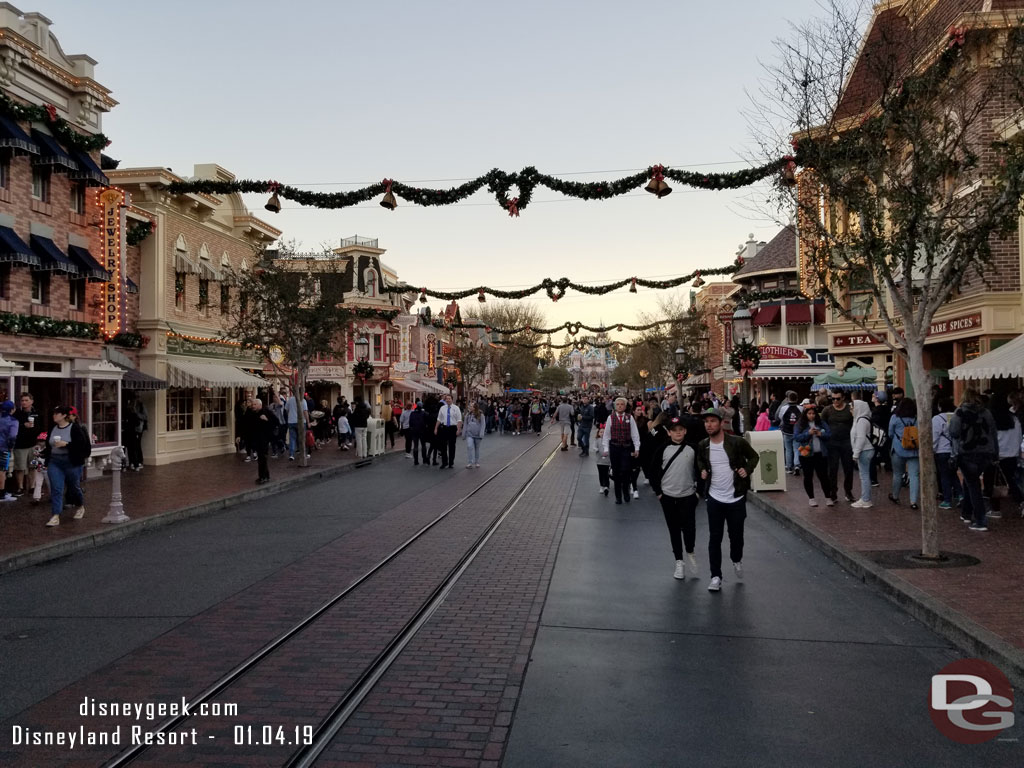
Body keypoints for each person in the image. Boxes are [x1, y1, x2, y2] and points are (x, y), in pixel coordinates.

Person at [696, 408, 760, 592]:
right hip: (714, 498)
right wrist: (702, 470)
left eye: (712, 421)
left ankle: (736, 558)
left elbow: (754, 457)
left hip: (735, 497)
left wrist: (747, 470)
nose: (709, 425)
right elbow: (700, 460)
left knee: (736, 536)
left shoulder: (737, 442)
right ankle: (715, 576)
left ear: (721, 422)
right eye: (706, 421)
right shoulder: (703, 445)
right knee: (714, 538)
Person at [649, 417, 699, 580]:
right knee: (674, 529)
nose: (678, 433)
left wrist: (699, 492)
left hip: (688, 495)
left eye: (680, 430)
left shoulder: (692, 449)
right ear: (669, 433)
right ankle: (679, 561)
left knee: (689, 528)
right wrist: (659, 492)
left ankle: (690, 551)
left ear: (685, 431)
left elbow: (701, 470)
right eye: (674, 431)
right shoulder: (662, 449)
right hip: (668, 496)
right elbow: (653, 471)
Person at [950, 388, 998, 532]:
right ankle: (966, 512)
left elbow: (953, 432)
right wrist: (995, 454)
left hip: (967, 453)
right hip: (985, 453)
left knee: (973, 485)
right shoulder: (986, 413)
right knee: (970, 481)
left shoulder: (959, 412)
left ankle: (981, 520)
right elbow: (993, 433)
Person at [42, 405, 91, 526]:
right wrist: (44, 455)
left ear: (64, 415)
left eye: (56, 414)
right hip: (55, 462)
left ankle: (80, 506)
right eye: (53, 413)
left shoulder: (74, 428)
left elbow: (81, 445)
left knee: (74, 487)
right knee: (56, 488)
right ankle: (55, 515)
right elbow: (49, 446)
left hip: (71, 463)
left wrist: (67, 444)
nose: (54, 416)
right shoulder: (53, 428)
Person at [601, 397, 641, 505]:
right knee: (616, 472)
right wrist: (606, 449)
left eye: (622, 404)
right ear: (615, 406)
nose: (619, 406)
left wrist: (637, 448)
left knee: (626, 471)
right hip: (614, 447)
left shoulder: (630, 417)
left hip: (626, 447)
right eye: (617, 404)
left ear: (625, 406)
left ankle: (626, 492)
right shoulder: (611, 418)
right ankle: (618, 496)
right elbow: (606, 435)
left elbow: (635, 434)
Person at [990, 392, 1024, 517]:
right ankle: (1021, 501)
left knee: (994, 483)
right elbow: (1019, 436)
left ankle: (995, 509)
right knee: (1012, 481)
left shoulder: (992, 419)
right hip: (1012, 455)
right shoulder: (1014, 419)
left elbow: (992, 438)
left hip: (997, 456)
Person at [794, 403, 831, 506]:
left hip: (820, 453)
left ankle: (828, 497)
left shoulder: (821, 423)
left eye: (813, 413)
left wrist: (821, 434)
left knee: (823, 476)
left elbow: (829, 434)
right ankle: (811, 498)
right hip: (806, 454)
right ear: (805, 414)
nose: (811, 416)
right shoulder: (799, 424)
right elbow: (797, 437)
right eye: (809, 413)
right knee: (808, 476)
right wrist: (808, 433)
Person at [822, 391, 855, 504]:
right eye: (833, 399)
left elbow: (855, 422)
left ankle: (848, 491)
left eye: (838, 398)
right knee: (833, 469)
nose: (835, 401)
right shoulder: (827, 410)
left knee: (848, 468)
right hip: (832, 443)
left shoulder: (850, 409)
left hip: (847, 442)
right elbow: (823, 423)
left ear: (843, 398)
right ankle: (833, 492)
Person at [888, 397, 921, 509]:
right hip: (914, 450)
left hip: (898, 449)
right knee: (914, 475)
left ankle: (896, 496)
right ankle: (913, 501)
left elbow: (890, 434)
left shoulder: (895, 418)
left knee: (897, 474)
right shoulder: (917, 419)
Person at [931, 397, 961, 510]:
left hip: (942, 450)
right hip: (955, 450)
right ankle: (960, 494)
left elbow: (935, 436)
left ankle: (947, 500)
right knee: (953, 474)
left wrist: (932, 449)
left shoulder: (937, 419)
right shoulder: (956, 416)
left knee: (944, 475)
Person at [12, 392, 42, 494]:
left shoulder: (37, 413)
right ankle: (20, 487)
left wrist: (40, 440)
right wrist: (23, 425)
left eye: (26, 400)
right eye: (22, 401)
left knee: (32, 467)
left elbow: (41, 426)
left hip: (33, 444)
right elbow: (12, 427)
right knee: (20, 467)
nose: (24, 403)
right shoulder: (17, 414)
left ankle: (32, 487)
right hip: (20, 445)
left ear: (31, 401)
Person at [245, 398, 278, 484]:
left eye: (255, 405)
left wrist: (267, 420)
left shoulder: (266, 412)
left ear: (260, 405)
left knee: (262, 457)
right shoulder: (252, 413)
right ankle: (263, 476)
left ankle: (264, 476)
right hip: (256, 438)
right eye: (253, 405)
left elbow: (276, 422)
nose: (253, 406)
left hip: (264, 438)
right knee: (260, 457)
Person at [850, 398, 875, 508]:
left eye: (852, 407)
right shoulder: (862, 419)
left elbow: (860, 438)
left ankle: (866, 499)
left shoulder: (861, 421)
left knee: (864, 476)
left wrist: (855, 453)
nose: (851, 410)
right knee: (865, 475)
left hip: (864, 450)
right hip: (866, 450)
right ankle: (865, 498)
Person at [776, 391, 802, 476]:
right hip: (797, 431)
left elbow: (780, 417)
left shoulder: (784, 408)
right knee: (796, 448)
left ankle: (789, 467)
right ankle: (797, 465)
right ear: (797, 399)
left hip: (787, 431)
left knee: (788, 449)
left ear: (788, 399)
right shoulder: (801, 408)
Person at [435, 394, 462, 469]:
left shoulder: (456, 408)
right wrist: (436, 428)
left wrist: (458, 429)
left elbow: (459, 420)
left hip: (453, 428)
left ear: (452, 399)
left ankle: (451, 462)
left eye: (449, 399)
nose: (448, 400)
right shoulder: (442, 408)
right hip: (444, 428)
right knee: (443, 446)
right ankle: (444, 462)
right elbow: (439, 419)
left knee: (452, 446)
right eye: (446, 399)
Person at [0, 400, 17, 502]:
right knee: (2, 471)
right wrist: (11, 447)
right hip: (4, 448)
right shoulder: (13, 421)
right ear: (12, 410)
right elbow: (12, 436)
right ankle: (1, 494)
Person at [463, 402, 485, 468]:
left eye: (471, 406)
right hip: (469, 434)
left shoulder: (480, 415)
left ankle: (477, 462)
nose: (470, 407)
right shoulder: (468, 415)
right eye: (470, 406)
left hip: (477, 435)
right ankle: (470, 462)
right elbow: (465, 424)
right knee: (469, 446)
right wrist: (464, 433)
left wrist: (481, 434)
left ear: (475, 407)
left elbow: (483, 425)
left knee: (476, 448)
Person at [595, 425, 611, 496]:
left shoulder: (608, 441)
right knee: (601, 474)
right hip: (599, 461)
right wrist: (596, 449)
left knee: (606, 474)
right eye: (601, 432)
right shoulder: (597, 440)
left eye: (604, 432)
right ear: (598, 433)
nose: (602, 433)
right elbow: (594, 447)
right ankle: (602, 486)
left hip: (607, 461)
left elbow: (610, 449)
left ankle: (606, 487)